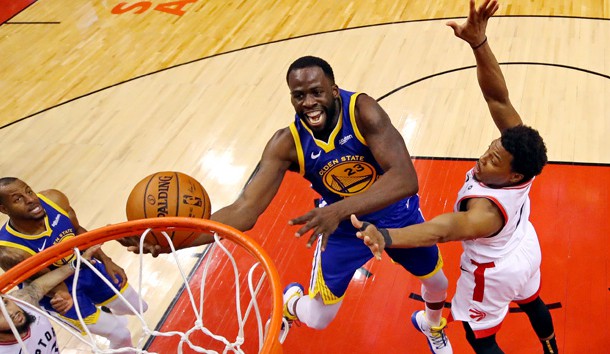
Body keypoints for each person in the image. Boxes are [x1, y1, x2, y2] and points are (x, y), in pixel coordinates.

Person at [122, 54, 452, 352]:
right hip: (343, 232)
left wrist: (337, 209)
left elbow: (405, 178)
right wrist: (174, 240)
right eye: (299, 95)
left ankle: (431, 324)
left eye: (316, 92)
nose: (309, 102)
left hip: (392, 215)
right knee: (319, 319)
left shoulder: (362, 111)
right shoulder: (287, 144)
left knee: (437, 281)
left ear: (334, 90)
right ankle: (291, 301)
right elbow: (244, 211)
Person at [351, 1, 558, 353]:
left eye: (494, 161)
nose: (484, 158)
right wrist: (479, 43)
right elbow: (497, 96)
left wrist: (386, 236)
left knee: (480, 337)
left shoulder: (486, 212)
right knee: (533, 300)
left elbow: (441, 230)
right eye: (491, 148)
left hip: (492, 272)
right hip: (525, 247)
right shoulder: (519, 150)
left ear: (514, 176)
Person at [0, 178, 149, 350]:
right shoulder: (10, 251)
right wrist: (63, 295)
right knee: (120, 333)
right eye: (18, 199)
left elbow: (78, 231)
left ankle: (107, 308)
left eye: (28, 191)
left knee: (139, 306)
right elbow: (44, 282)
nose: (31, 199)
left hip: (85, 265)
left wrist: (107, 260)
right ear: (4, 209)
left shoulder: (54, 200)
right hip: (58, 290)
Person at [0, 245, 100, 353]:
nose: (10, 312)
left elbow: (41, 286)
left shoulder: (22, 301)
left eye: (5, 303)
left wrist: (76, 264)